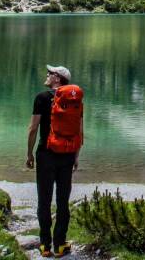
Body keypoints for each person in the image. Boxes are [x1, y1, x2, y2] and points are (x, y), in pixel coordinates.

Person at [27, 64, 83, 257]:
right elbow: (79, 131)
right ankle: (60, 245)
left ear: (58, 79)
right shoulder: (75, 101)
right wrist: (76, 156)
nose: (47, 75)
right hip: (67, 155)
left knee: (44, 200)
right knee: (62, 201)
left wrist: (29, 153)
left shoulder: (42, 98)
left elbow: (33, 129)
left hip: (46, 154)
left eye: (50, 73)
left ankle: (45, 245)